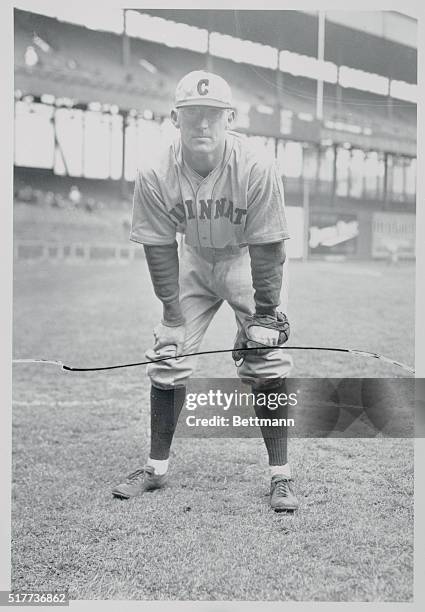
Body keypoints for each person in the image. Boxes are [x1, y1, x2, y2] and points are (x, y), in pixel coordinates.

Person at [112, 71, 298, 512]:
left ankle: (281, 475)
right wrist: (172, 319)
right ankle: (156, 469)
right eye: (193, 114)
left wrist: (267, 316)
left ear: (228, 118)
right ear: (176, 118)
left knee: (266, 357)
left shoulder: (257, 165)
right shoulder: (155, 172)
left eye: (212, 115)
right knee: (167, 354)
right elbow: (160, 249)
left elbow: (269, 246)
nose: (202, 125)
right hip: (192, 258)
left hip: (243, 259)